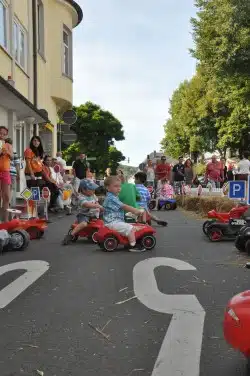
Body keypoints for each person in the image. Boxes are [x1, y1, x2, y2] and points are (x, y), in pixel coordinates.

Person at [103, 176, 144, 252]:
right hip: (113, 222)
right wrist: (135, 210)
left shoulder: (113, 197)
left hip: (113, 221)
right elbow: (123, 206)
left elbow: (119, 209)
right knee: (130, 228)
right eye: (116, 186)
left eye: (120, 186)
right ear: (108, 188)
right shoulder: (111, 198)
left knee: (130, 226)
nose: (119, 188)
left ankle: (128, 239)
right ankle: (132, 245)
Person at [63, 179, 103, 244]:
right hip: (84, 214)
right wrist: (97, 206)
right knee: (84, 224)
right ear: (84, 190)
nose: (93, 191)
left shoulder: (93, 195)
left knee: (104, 219)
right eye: (91, 189)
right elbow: (86, 204)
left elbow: (96, 202)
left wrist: (100, 207)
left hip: (93, 214)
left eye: (93, 189)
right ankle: (70, 235)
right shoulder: (81, 197)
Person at [0, 127, 13, 221]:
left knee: (7, 196)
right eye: (0, 133)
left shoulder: (7, 145)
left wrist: (7, 152)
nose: (2, 136)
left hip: (5, 171)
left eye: (4, 134)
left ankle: (5, 221)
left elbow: (12, 156)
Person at [6, 138, 20, 208]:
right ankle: (8, 202)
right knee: (11, 188)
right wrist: (18, 174)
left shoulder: (3, 149)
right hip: (12, 173)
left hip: (5, 171)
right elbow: (17, 164)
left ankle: (5, 202)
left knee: (5, 188)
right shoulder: (14, 151)